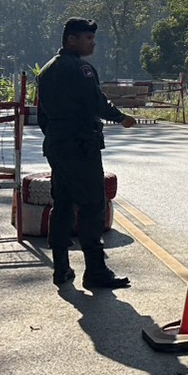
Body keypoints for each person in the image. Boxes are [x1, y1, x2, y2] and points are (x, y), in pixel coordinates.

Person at [35, 17, 137, 288]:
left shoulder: (46, 70)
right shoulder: (81, 69)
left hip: (57, 147)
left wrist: (57, 137)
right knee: (92, 206)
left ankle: (61, 267)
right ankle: (95, 271)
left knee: (63, 204)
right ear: (72, 40)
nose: (93, 43)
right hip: (81, 148)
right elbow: (96, 102)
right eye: (88, 38)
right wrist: (121, 118)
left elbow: (42, 114)